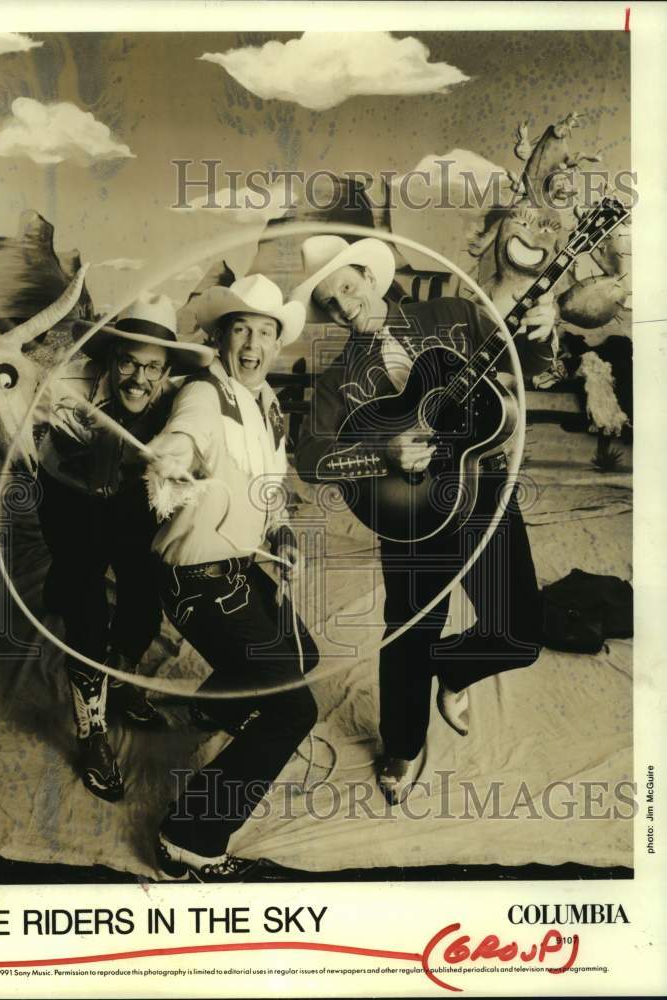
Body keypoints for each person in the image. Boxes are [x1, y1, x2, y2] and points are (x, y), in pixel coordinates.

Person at [291, 235, 556, 804]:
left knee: (519, 636)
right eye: (329, 301)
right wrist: (381, 455)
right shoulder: (337, 379)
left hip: (485, 491)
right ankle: (402, 744)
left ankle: (450, 673)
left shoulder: (454, 315)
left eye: (346, 286)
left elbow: (527, 368)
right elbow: (311, 459)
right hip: (408, 513)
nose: (343, 305)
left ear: (367, 275)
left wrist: (541, 329)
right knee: (411, 621)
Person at [145, 274, 318, 881]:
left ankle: (209, 712)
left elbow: (270, 493)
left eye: (264, 332)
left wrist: (281, 532)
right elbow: (182, 436)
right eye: (239, 329)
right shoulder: (202, 392)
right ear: (220, 338)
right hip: (197, 577)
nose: (251, 342)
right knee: (292, 712)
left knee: (306, 652)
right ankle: (188, 838)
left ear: (277, 343)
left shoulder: (268, 403)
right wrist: (170, 459)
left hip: (244, 566)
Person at [37, 294, 214, 802]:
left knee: (144, 594)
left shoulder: (179, 397)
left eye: (152, 367)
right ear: (111, 361)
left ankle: (124, 675)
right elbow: (26, 403)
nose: (139, 377)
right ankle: (92, 731)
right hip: (68, 495)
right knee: (85, 608)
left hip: (129, 496)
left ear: (166, 372)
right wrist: (51, 421)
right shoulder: (72, 384)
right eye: (128, 362)